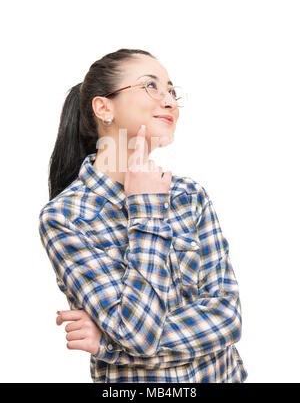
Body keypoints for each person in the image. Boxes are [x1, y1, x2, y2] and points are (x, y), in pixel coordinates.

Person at [38, 48, 248, 383]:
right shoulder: (66, 217)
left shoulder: (189, 196)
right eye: (150, 86)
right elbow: (137, 333)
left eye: (171, 90)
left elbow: (228, 318)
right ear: (104, 108)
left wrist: (110, 344)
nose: (169, 101)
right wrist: (147, 209)